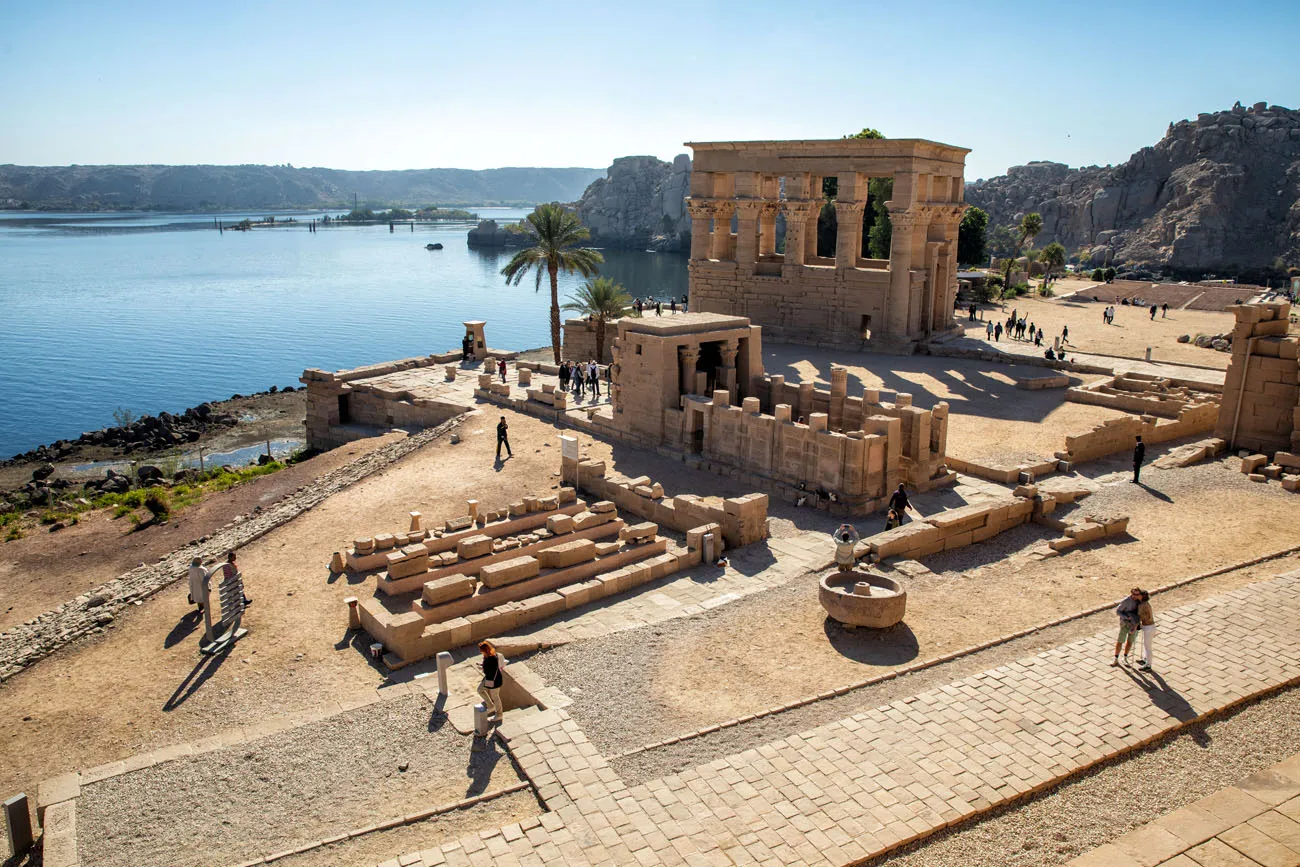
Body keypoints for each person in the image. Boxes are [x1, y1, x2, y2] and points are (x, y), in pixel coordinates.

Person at [1112, 587, 1143, 666]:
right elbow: (1118, 611)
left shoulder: (1140, 601)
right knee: (1120, 641)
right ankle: (1116, 658)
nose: (1135, 596)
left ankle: (1125, 657)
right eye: (1133, 594)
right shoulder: (1126, 601)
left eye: (1137, 594)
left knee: (1130, 641)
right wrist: (1127, 617)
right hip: (1125, 623)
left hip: (1134, 624)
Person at [477, 641, 504, 722]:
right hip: (491, 679)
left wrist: (483, 669)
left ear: (484, 650)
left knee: (495, 697)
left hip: (494, 681)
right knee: (480, 690)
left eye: (481, 650)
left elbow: (489, 671)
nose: (480, 652)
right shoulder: (491, 656)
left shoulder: (490, 659)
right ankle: (490, 706)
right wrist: (483, 666)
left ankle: (499, 714)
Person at [1136, 591, 1156, 671]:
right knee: (1145, 644)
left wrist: (1138, 621)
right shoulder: (1145, 603)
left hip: (1149, 627)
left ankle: (1148, 664)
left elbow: (1145, 617)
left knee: (1148, 647)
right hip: (1148, 626)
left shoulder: (1143, 605)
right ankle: (1145, 659)